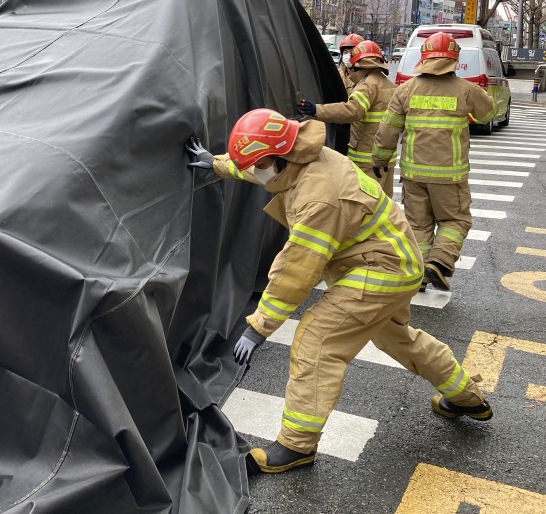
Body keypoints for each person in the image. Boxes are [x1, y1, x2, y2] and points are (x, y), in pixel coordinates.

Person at [186, 110, 492, 475]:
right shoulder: (298, 155)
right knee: (398, 340)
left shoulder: (319, 196)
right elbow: (257, 166)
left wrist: (259, 327)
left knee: (317, 341)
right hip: (395, 261)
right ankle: (466, 398)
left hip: (381, 270)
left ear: (282, 155)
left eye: (263, 163)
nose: (259, 170)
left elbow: (296, 268)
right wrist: (218, 163)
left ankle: (296, 446)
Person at [372, 32, 494, 291]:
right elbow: (487, 114)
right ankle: (438, 263)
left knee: (418, 225)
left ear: (423, 58)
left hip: (413, 175)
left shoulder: (405, 90)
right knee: (455, 221)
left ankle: (419, 276)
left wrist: (379, 159)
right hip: (450, 176)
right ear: (454, 60)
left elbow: (387, 130)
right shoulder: (466, 90)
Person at [298, 40, 396, 196]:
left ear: (359, 64)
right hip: (386, 157)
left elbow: (351, 111)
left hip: (367, 159)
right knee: (385, 203)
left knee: (366, 203)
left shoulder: (367, 85)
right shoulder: (389, 85)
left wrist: (317, 110)